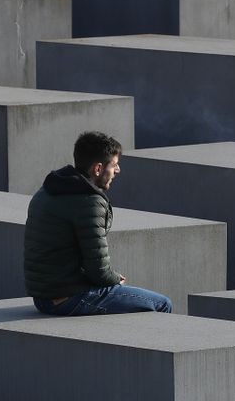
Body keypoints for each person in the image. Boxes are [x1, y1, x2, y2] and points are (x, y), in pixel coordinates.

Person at [24, 131, 172, 315]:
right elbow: (98, 269)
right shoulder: (89, 202)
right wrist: (115, 279)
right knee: (163, 304)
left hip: (43, 297)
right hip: (68, 298)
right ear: (98, 169)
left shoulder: (46, 191)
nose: (118, 171)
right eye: (114, 165)